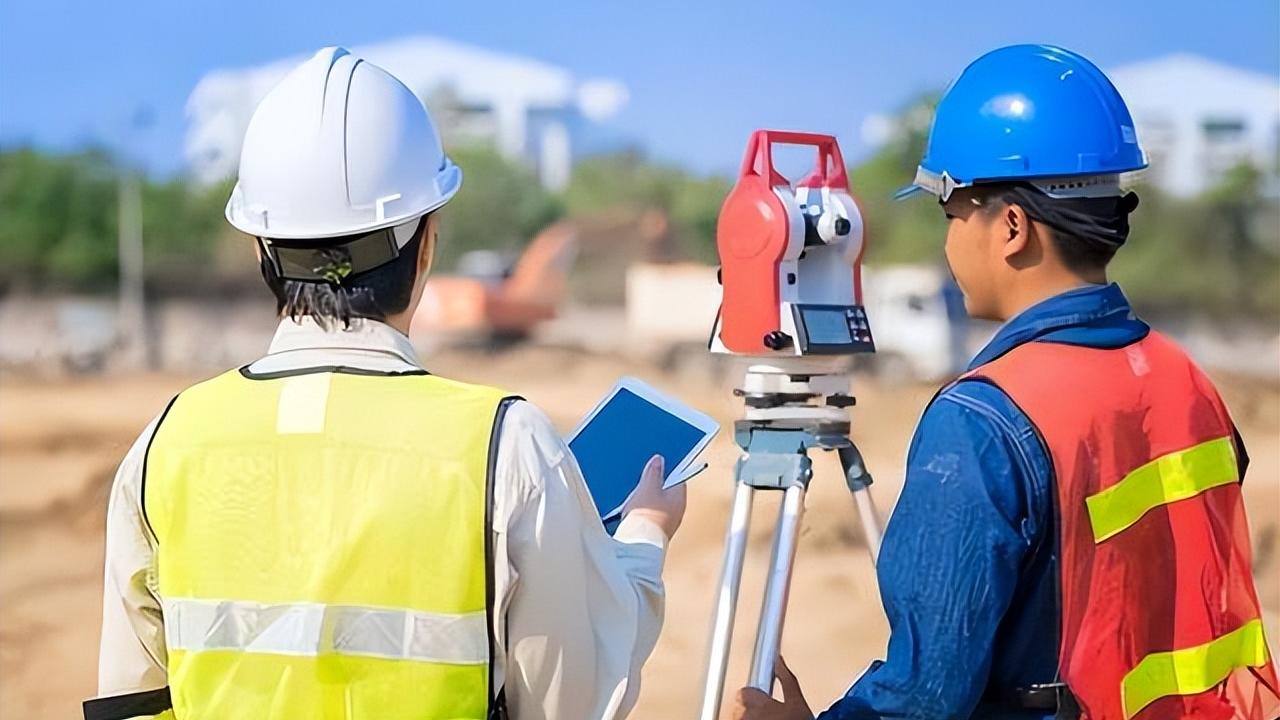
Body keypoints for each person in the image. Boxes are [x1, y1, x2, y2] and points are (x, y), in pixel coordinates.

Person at [88, 47, 685, 720]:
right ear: (426, 243)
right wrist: (642, 539)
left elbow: (130, 704)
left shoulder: (164, 446)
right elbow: (574, 699)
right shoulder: (505, 447)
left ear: (262, 247)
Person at [734, 44, 1278, 720]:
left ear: (1011, 226)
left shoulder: (985, 421)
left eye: (950, 214)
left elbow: (923, 698)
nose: (948, 243)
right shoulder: (1185, 378)